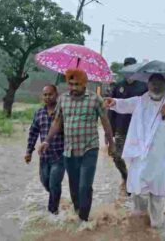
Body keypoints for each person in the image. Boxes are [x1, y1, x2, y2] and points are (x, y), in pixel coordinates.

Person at [104, 73, 165, 228]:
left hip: (161, 159)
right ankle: (139, 230)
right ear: (148, 85)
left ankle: (155, 229)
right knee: (138, 193)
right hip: (141, 157)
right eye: (153, 83)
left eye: (159, 83)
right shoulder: (140, 101)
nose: (156, 86)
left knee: (157, 197)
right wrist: (113, 102)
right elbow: (123, 104)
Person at [38, 69, 115, 224]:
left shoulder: (95, 99)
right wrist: (46, 140)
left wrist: (111, 143)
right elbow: (57, 122)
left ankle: (83, 221)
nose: (73, 87)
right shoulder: (63, 99)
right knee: (74, 188)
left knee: (84, 186)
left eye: (77, 84)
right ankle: (78, 211)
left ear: (85, 84)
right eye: (70, 84)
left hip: (89, 148)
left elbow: (105, 121)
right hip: (69, 150)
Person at [24, 85, 65, 216]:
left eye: (50, 94)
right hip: (44, 157)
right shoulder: (39, 113)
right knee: (45, 182)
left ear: (56, 95)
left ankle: (53, 212)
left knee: (54, 183)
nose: (47, 97)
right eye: (45, 95)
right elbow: (33, 133)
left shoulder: (62, 112)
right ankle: (56, 197)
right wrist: (29, 151)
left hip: (59, 155)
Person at [108, 57, 148, 192]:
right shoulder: (118, 86)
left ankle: (136, 184)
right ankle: (126, 176)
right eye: (126, 67)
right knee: (117, 157)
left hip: (138, 130)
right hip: (121, 128)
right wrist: (110, 132)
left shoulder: (144, 86)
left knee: (137, 158)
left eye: (132, 67)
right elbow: (110, 108)